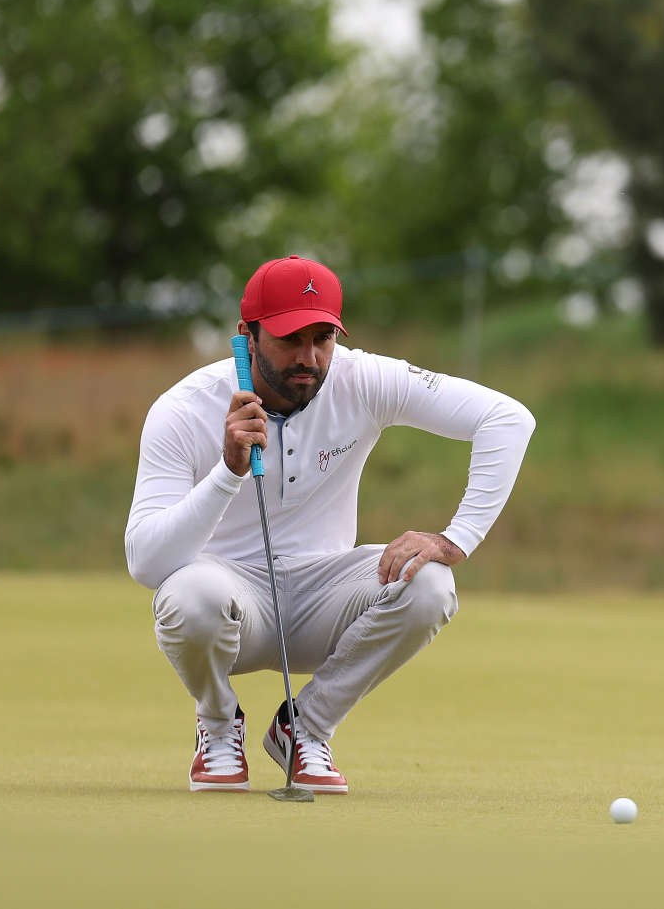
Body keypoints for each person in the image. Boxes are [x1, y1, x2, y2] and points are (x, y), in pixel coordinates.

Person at [126, 254, 535, 794]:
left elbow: (508, 419)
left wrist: (455, 539)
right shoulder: (183, 410)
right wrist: (227, 472)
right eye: (291, 339)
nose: (310, 357)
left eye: (323, 338)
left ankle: (306, 727)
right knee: (189, 596)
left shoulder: (361, 378)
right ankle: (219, 724)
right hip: (229, 599)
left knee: (430, 583)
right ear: (246, 336)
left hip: (326, 596)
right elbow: (147, 563)